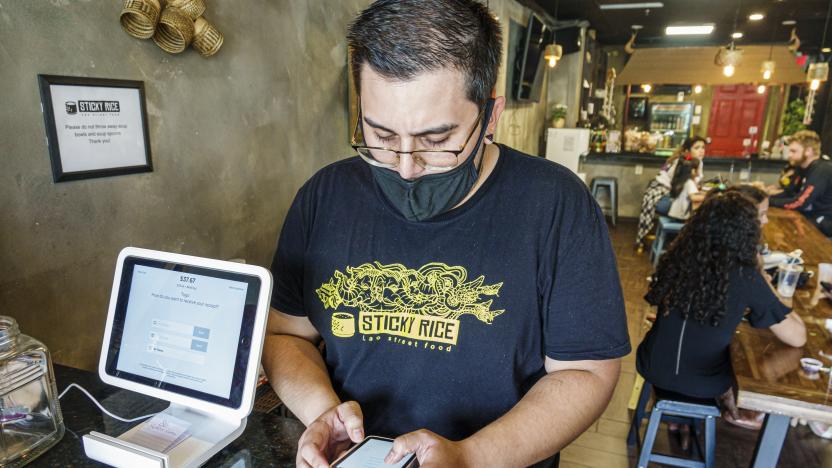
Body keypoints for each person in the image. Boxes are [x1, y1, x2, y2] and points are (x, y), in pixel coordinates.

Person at [261, 2, 631, 467]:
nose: (406, 168)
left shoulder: (556, 205)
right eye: (381, 136)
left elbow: (585, 372)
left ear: (490, 117)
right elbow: (286, 334)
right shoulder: (324, 196)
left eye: (437, 143)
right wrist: (324, 414)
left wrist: (468, 458)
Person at [636, 191, 806, 446]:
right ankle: (731, 408)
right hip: (702, 383)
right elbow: (798, 337)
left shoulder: (677, 259)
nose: (765, 224)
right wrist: (760, 273)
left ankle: (679, 417)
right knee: (751, 360)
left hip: (650, 364)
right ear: (744, 232)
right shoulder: (743, 273)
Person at [636, 136, 706, 251]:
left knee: (693, 208)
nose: (701, 150)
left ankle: (677, 242)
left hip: (672, 196)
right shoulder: (681, 163)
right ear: (687, 151)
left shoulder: (698, 162)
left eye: (703, 147)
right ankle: (681, 246)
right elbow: (683, 188)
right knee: (691, 210)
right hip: (659, 197)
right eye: (697, 148)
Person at [769, 130, 832, 236]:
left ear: (808, 151)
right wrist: (763, 197)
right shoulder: (801, 168)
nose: (789, 155)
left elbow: (801, 202)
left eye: (793, 151)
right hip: (808, 216)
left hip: (824, 222)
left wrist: (768, 201)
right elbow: (789, 192)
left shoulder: (822, 170)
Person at [666, 156, 700, 221]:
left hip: (674, 214)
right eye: (697, 169)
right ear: (693, 170)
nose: (698, 172)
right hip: (681, 216)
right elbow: (693, 197)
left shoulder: (682, 180)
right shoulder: (689, 182)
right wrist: (709, 196)